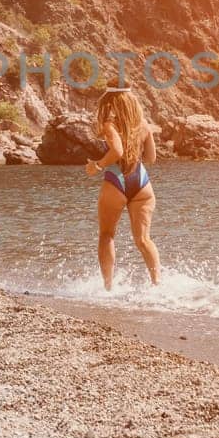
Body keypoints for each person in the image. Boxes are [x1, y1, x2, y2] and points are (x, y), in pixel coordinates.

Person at [84, 87, 161, 290]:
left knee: (107, 235)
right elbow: (151, 158)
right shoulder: (143, 125)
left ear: (112, 104)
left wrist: (97, 166)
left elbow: (117, 151)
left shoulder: (110, 125)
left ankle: (108, 288)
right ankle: (157, 285)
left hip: (116, 181)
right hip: (142, 182)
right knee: (143, 239)